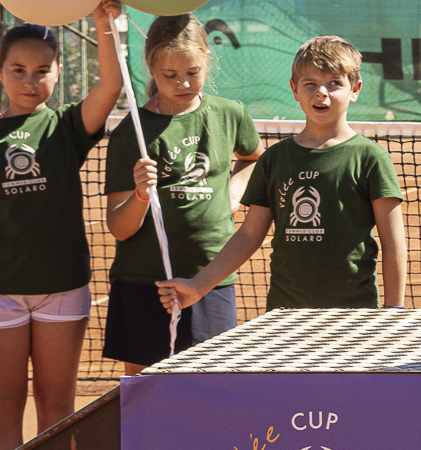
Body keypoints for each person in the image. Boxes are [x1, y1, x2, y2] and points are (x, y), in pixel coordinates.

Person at [0, 0, 125, 450]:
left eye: (42, 70)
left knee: (57, 407)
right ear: (0, 71)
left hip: (62, 290)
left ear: (58, 72)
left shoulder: (68, 127)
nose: (30, 81)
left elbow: (111, 85)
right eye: (19, 70)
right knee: (4, 408)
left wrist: (103, 23)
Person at [158, 35, 406, 315]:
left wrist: (394, 309)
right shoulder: (274, 158)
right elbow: (249, 234)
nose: (321, 92)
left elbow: (393, 241)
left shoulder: (371, 158)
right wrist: (198, 286)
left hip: (355, 313)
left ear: (355, 89)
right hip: (285, 314)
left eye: (334, 83)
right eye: (310, 84)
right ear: (294, 89)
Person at [103, 14, 264, 372]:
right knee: (146, 393)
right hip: (144, 282)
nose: (183, 83)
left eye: (193, 72)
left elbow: (254, 158)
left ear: (207, 59)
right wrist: (140, 195)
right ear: (151, 67)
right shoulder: (132, 132)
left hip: (210, 278)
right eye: (170, 75)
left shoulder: (231, 114)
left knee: (210, 391)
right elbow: (119, 228)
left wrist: (232, 196)